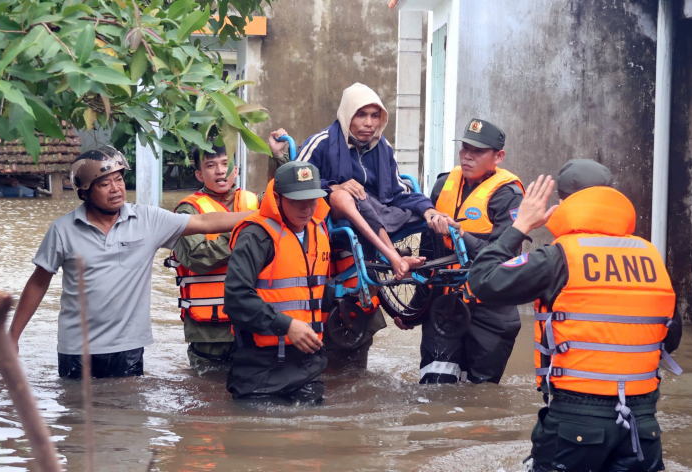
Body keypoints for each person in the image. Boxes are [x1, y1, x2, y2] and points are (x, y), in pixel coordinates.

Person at [466, 160, 683, 472]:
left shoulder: (559, 257)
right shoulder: (651, 257)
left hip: (576, 424)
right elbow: (669, 340)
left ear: (563, 204)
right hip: (642, 426)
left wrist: (520, 226)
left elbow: (482, 282)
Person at [0, 147, 251, 380]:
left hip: (128, 347)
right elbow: (38, 284)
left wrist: (265, 214)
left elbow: (206, 223)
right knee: (76, 422)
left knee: (128, 422)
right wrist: (12, 337)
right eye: (105, 183)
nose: (116, 188)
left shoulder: (147, 220)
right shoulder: (62, 230)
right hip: (76, 348)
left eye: (118, 179)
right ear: (85, 192)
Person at [268, 83, 456, 281]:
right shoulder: (322, 142)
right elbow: (299, 180)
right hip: (334, 214)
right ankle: (394, 256)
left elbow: (398, 192)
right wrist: (333, 186)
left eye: (375, 115)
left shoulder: (383, 148)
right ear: (348, 115)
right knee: (343, 195)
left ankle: (421, 269)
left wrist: (430, 211)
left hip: (379, 209)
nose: (369, 123)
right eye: (361, 115)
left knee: (423, 211)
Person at [416, 118, 524, 385]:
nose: (467, 156)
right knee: (434, 389)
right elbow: (427, 253)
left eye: (477, 151)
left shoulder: (509, 196)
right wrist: (415, 309)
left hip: (490, 309)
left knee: (480, 398)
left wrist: (462, 235)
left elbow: (505, 255)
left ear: (498, 156)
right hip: (445, 305)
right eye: (464, 148)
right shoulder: (443, 186)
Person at [224, 161, 330, 403]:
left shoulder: (319, 231)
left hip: (307, 367)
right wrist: (286, 325)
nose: (306, 208)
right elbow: (236, 297)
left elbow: (316, 291)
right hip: (259, 368)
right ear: (278, 199)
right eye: (296, 201)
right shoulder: (256, 236)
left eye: (312, 200)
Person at [166, 144, 259, 368]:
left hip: (256, 324)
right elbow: (198, 257)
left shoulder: (258, 202)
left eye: (226, 164)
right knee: (208, 396)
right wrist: (246, 231)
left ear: (235, 170)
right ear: (199, 174)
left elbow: (290, 198)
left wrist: (280, 155)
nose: (220, 171)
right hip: (210, 334)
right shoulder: (187, 211)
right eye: (211, 165)